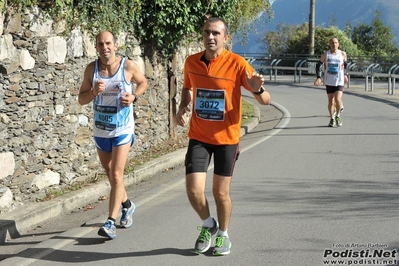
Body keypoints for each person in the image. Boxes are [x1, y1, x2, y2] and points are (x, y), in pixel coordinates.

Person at [176, 17, 271, 256]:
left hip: (227, 139)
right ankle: (209, 225)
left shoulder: (238, 64)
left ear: (225, 38)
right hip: (199, 136)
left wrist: (257, 88)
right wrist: (182, 107)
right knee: (194, 190)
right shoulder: (191, 62)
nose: (211, 37)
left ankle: (224, 235)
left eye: (216, 33)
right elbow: (188, 87)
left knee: (220, 192)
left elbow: (266, 100)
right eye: (207, 32)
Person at [78, 31, 148, 239]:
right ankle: (127, 205)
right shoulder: (92, 69)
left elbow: (143, 82)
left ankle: (110, 222)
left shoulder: (128, 66)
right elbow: (81, 100)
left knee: (117, 174)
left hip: (122, 130)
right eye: (101, 44)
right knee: (111, 175)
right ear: (96, 47)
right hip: (101, 130)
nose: (105, 47)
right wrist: (93, 93)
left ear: (116, 45)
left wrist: (134, 96)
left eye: (108, 43)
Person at [314, 37, 348, 127]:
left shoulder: (342, 54)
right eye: (332, 43)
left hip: (339, 80)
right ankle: (332, 118)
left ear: (338, 44)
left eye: (336, 42)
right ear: (330, 44)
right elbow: (318, 65)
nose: (334, 44)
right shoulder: (326, 54)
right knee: (331, 101)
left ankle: (338, 116)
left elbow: (346, 65)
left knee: (338, 99)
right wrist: (318, 77)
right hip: (329, 81)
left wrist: (345, 75)